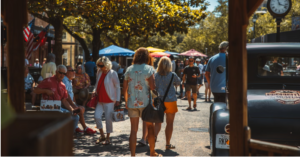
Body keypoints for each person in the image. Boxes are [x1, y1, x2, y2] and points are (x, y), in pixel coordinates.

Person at [123, 48, 158, 156]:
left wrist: (126, 101)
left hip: (132, 103)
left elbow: (124, 88)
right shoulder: (149, 69)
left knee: (133, 130)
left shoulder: (129, 69)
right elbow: (152, 87)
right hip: (146, 104)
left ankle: (133, 155)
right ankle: (152, 152)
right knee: (150, 127)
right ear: (147, 57)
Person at [34, 65, 80, 132]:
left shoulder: (63, 85)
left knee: (76, 117)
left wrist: (72, 110)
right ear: (56, 72)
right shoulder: (48, 80)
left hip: (57, 107)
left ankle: (69, 137)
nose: (62, 75)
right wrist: (46, 91)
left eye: (64, 74)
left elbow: (64, 101)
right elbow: (35, 90)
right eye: (60, 73)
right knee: (64, 115)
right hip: (47, 107)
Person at [154, 57, 181, 150]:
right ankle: (167, 144)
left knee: (157, 122)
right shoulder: (172, 75)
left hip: (158, 101)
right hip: (171, 101)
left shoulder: (155, 75)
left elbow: (153, 87)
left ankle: (153, 141)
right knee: (169, 123)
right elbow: (179, 83)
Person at [92, 56, 121, 145]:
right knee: (97, 116)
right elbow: (97, 83)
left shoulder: (113, 73)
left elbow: (117, 87)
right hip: (100, 99)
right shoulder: (99, 72)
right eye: (98, 65)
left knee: (108, 119)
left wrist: (118, 99)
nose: (100, 67)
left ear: (107, 65)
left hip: (109, 99)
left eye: (101, 66)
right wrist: (94, 90)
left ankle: (108, 138)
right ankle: (102, 135)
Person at [62, 65, 96, 135]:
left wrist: (74, 103)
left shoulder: (69, 80)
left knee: (81, 108)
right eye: (72, 70)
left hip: (70, 103)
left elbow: (71, 94)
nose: (74, 72)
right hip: (65, 105)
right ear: (67, 73)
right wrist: (73, 105)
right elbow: (66, 96)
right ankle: (85, 128)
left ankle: (77, 127)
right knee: (80, 109)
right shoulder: (65, 81)